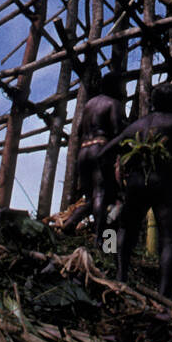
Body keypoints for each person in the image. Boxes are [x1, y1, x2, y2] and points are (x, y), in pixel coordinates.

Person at [98, 83, 172, 298]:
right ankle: (164, 295)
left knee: (126, 230)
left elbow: (106, 151)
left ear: (153, 103)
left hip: (137, 182)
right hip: (165, 182)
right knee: (170, 240)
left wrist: (114, 181)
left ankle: (121, 277)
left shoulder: (138, 125)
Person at [62, 71, 125, 246]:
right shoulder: (113, 104)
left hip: (83, 152)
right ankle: (103, 241)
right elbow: (118, 131)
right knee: (104, 196)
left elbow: (79, 131)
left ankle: (72, 221)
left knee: (91, 197)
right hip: (101, 149)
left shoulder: (89, 104)